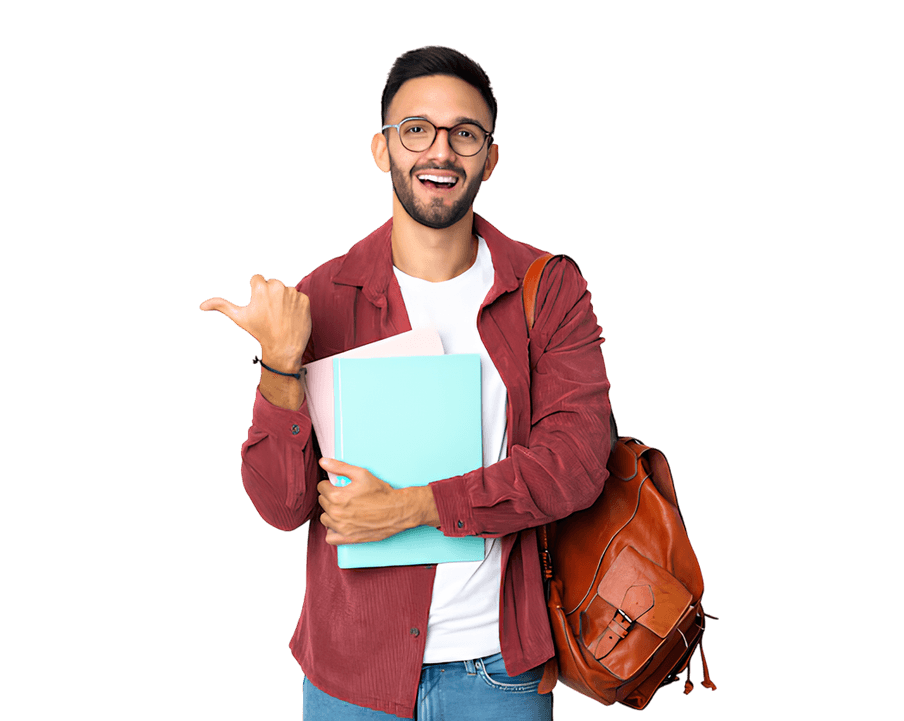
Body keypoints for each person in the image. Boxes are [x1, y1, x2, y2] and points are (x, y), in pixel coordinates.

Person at [200, 46, 612, 720]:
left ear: (491, 157)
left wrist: (416, 506)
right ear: (381, 149)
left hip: (499, 674)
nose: (440, 152)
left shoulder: (550, 288)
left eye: (465, 133)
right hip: (349, 676)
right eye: (416, 129)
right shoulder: (321, 298)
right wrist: (280, 366)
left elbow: (575, 466)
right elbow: (280, 505)